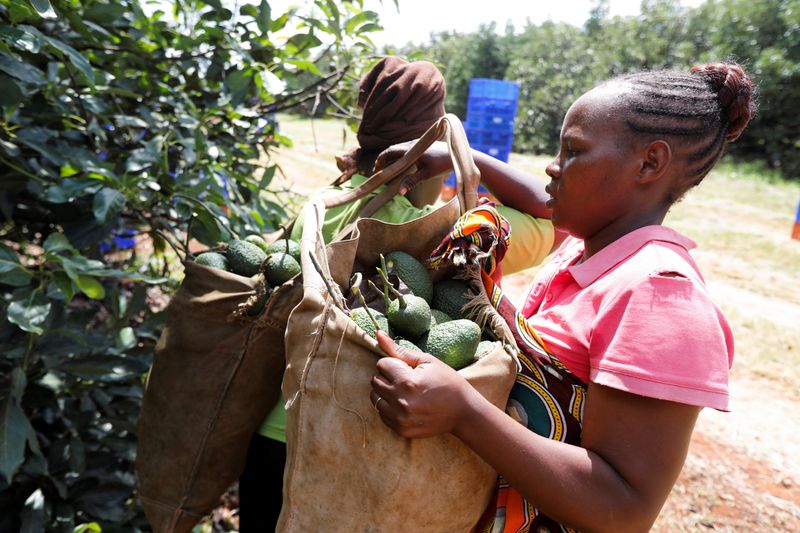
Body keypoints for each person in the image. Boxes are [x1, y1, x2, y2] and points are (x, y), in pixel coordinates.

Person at [369, 62, 756, 532]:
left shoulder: (658, 296)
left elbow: (625, 507)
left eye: (573, 151)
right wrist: (457, 157)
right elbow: (542, 197)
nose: (552, 166)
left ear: (649, 163)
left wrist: (463, 411)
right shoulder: (585, 245)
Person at [238, 55, 557, 531]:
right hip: (355, 457)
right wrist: (458, 151)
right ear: (428, 153)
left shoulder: (321, 207)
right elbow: (554, 210)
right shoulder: (454, 238)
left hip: (275, 435)